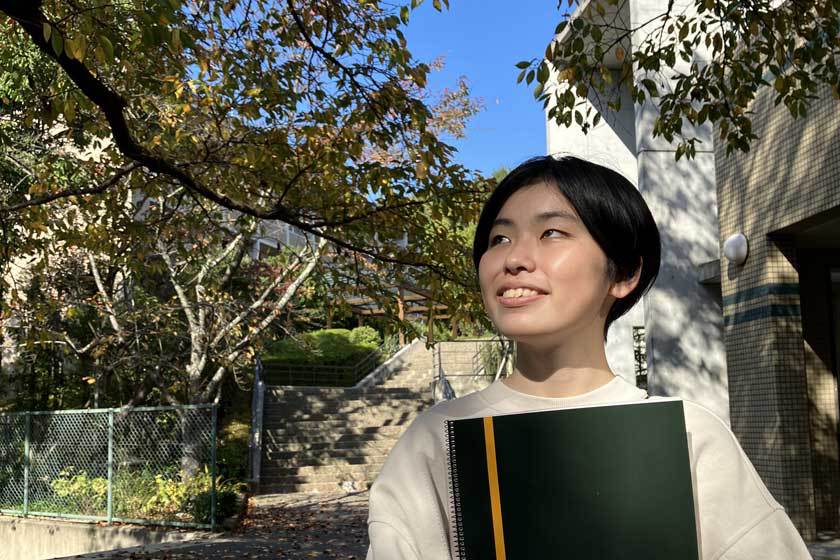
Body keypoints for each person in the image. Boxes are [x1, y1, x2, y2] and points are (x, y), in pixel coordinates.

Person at [365, 155, 811, 559]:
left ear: (624, 272)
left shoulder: (690, 435)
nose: (513, 258)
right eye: (499, 238)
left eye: (552, 233)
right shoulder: (434, 441)